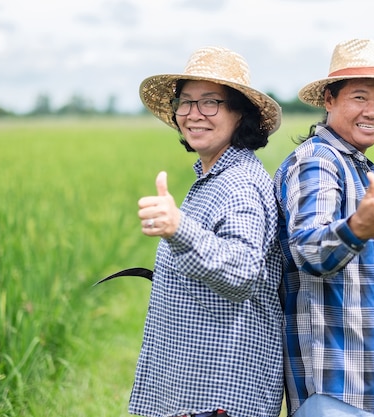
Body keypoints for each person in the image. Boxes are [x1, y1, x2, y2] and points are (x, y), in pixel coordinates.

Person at [274, 39, 374, 417]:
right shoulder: (317, 163)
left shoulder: (365, 175)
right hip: (336, 393)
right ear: (329, 99)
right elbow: (309, 249)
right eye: (359, 97)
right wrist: (358, 228)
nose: (373, 112)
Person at [130, 46, 284, 417]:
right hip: (196, 388)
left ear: (239, 115)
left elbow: (243, 271)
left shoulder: (240, 184)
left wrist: (179, 228)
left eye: (210, 103)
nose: (193, 115)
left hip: (221, 394)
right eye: (186, 102)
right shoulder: (213, 177)